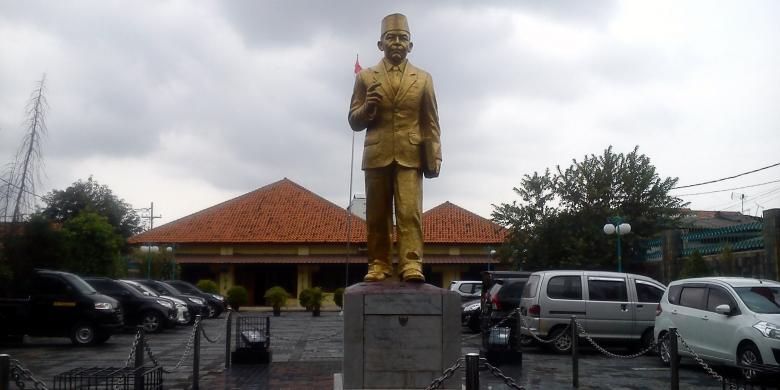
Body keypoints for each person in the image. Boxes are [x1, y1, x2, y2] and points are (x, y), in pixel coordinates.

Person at [348, 13, 442, 283]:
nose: (397, 43)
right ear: (380, 44)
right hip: (377, 153)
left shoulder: (423, 78)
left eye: (403, 38)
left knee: (409, 212)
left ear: (411, 45)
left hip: (410, 155)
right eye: (391, 38)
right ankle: (379, 263)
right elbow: (353, 120)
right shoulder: (366, 77)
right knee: (377, 214)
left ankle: (411, 264)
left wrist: (434, 153)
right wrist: (367, 108)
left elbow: (431, 121)